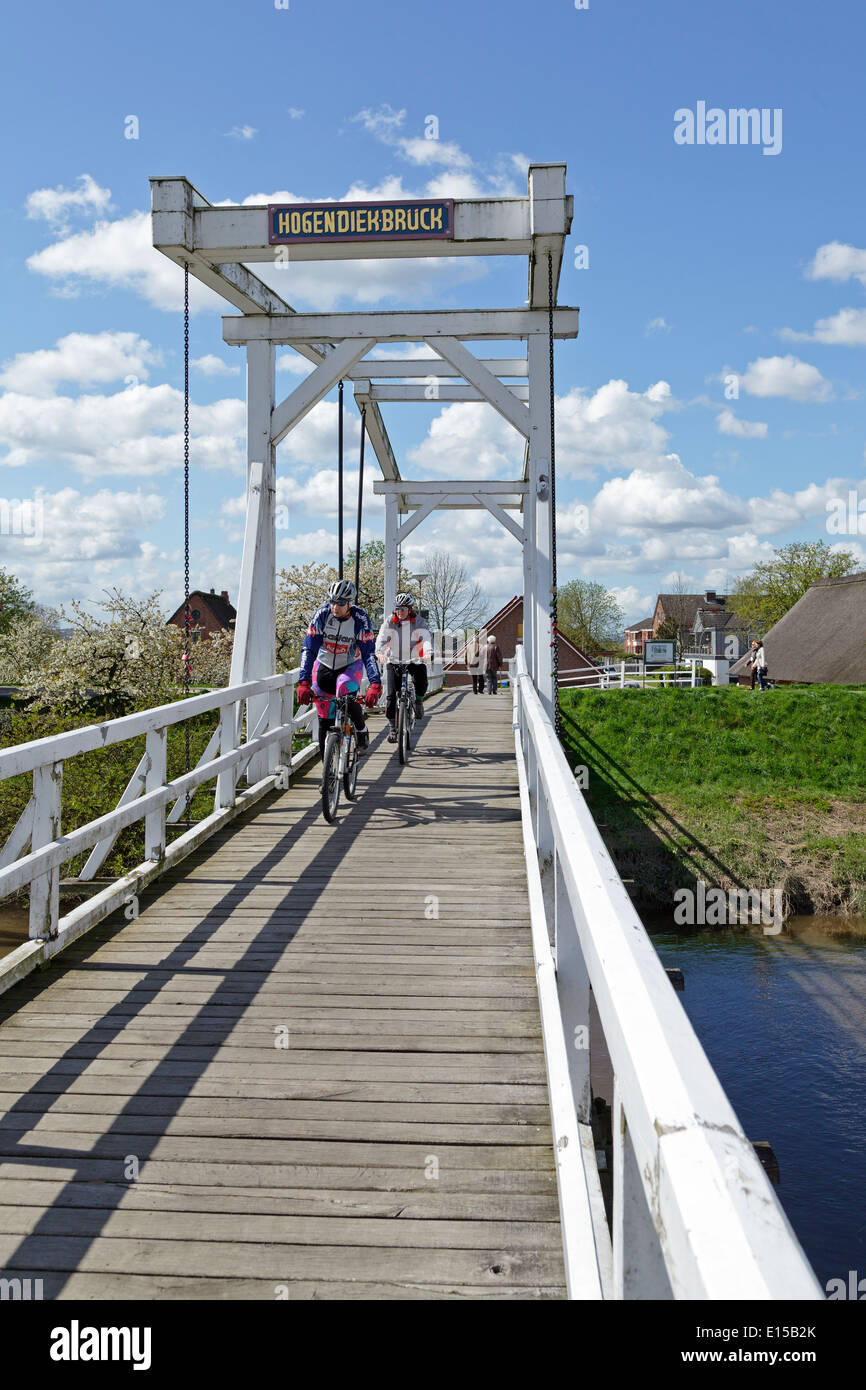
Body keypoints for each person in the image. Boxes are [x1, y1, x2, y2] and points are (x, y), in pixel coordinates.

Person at [296, 578, 381, 760]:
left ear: (350, 603)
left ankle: (361, 728)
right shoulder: (321, 616)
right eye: (332, 601)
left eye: (341, 603)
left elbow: (368, 654)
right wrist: (303, 682)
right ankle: (327, 770)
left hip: (350, 665)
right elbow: (308, 649)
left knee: (345, 692)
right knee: (324, 718)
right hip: (324, 665)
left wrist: (375, 684)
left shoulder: (360, 619)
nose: (335, 606)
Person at [375, 592, 432, 743]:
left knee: (422, 681)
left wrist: (427, 653)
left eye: (403, 609)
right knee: (390, 697)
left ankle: (418, 701)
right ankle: (393, 728)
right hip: (394, 660)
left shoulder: (418, 622)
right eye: (398, 609)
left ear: (410, 609)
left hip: (414, 658)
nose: (400, 612)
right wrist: (380, 653)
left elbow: (426, 638)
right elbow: (381, 638)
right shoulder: (389, 622)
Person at [465, 626, 486, 693]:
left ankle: (475, 690)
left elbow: (466, 656)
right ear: (478, 640)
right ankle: (480, 690)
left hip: (471, 664)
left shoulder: (468, 647)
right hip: (479, 664)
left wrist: (466, 664)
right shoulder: (481, 646)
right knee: (480, 678)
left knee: (474, 678)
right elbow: (483, 656)